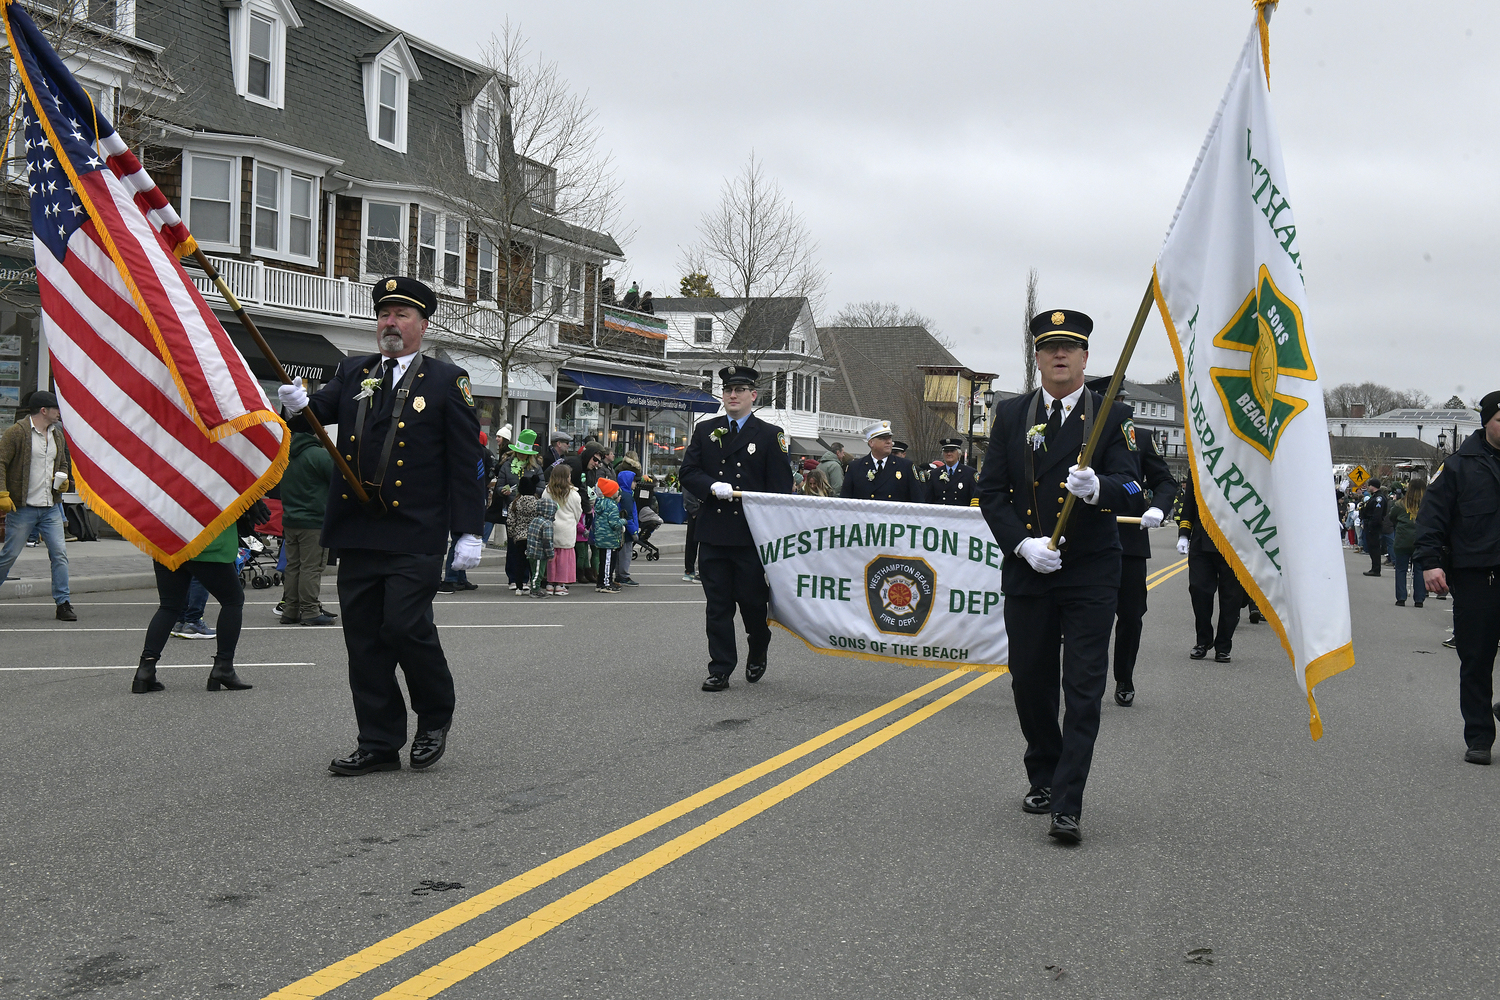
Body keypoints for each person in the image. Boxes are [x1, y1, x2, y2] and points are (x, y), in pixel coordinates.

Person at [277, 276, 485, 776]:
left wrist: (470, 530)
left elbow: (465, 462)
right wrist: (295, 405)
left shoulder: (445, 380)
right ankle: (379, 740)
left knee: (406, 626)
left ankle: (434, 717)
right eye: (384, 314)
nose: (390, 323)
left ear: (423, 324)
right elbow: (315, 418)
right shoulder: (354, 370)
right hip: (359, 530)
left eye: (402, 315)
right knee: (364, 640)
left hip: (416, 531)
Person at [976, 308, 1141, 845]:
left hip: (1090, 570)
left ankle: (1068, 803)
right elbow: (992, 493)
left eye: (1070, 347)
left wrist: (1099, 489)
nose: (1060, 355)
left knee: (1085, 688)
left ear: (1086, 356)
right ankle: (1044, 775)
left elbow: (1135, 486)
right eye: (1050, 347)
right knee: (1030, 682)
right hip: (1031, 569)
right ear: (1038, 357)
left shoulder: (1111, 415)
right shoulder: (1012, 415)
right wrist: (1020, 543)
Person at [680, 366, 795, 691]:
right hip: (714, 531)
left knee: (752, 603)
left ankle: (758, 644)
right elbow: (688, 471)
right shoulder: (706, 430)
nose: (733, 395)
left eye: (740, 390)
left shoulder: (769, 435)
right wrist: (710, 484)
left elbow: (780, 488)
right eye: (728, 389)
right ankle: (720, 668)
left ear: (752, 395)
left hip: (750, 535)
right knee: (717, 606)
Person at [1413, 390, 1500, 765]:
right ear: (1488, 422)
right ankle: (1479, 736)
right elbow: (1431, 519)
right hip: (1479, 577)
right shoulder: (1458, 467)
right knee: (1477, 659)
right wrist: (1430, 562)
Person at [1081, 379, 1178, 707]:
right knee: (1089, 617)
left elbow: (1165, 481)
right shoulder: (1079, 436)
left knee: (1131, 616)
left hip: (1129, 543)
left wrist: (1156, 507)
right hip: (1087, 539)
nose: (1121, 407)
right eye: (1112, 400)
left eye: (1122, 400)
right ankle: (1086, 682)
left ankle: (1124, 676)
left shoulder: (1140, 438)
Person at [132, 522, 252, 694]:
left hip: (167, 539)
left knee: (169, 607)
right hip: (206, 541)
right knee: (232, 600)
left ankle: (145, 669)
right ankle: (223, 667)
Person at [0, 390, 77, 620]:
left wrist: (62, 480)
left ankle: (63, 603)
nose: (59, 413)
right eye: (55, 408)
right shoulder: (16, 433)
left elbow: (61, 462)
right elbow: (1, 462)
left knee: (60, 554)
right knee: (9, 555)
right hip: (23, 508)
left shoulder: (57, 434)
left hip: (50, 506)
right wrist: (3, 492)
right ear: (44, 410)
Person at [1177, 475, 1243, 662]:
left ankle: (1223, 645)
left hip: (1234, 542)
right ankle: (1203, 641)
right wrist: (1184, 534)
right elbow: (1190, 502)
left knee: (1231, 597)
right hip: (1202, 539)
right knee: (1199, 590)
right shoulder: (1199, 461)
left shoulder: (1243, 460)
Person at [278, 429, 337, 625]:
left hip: (290, 520)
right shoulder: (319, 455)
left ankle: (291, 609)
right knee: (311, 567)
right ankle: (310, 610)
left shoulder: (286, 454)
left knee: (293, 566)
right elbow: (339, 481)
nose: (326, 431)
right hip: (313, 521)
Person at [841, 421, 926, 502]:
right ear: (871, 443)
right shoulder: (855, 467)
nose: (889, 442)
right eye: (883, 439)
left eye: (889, 438)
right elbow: (845, 502)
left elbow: (917, 500)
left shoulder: (905, 466)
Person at [545, 463, 582, 596]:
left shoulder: (547, 491)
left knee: (551, 557)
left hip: (551, 527)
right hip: (566, 528)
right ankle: (560, 584)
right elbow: (578, 512)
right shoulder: (573, 495)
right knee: (564, 558)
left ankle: (550, 584)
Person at [1390, 475, 1426, 608]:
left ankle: (1401, 597)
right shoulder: (1427, 505)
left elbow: (1392, 518)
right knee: (1419, 570)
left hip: (1402, 540)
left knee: (1401, 569)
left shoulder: (1399, 505)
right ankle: (1419, 599)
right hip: (1420, 541)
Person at [590, 477, 624, 593]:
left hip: (601, 538)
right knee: (608, 562)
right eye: (616, 490)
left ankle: (601, 582)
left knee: (603, 561)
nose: (618, 492)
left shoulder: (600, 504)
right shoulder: (612, 506)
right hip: (610, 539)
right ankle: (606, 583)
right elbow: (614, 524)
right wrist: (623, 521)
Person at [927, 437, 980, 507]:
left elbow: (974, 500)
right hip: (940, 515)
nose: (949, 454)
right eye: (946, 451)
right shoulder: (934, 474)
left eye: (952, 451)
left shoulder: (970, 474)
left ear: (959, 454)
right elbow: (928, 501)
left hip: (961, 516)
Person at [525, 491, 558, 598]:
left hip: (531, 551)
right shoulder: (547, 524)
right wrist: (550, 554)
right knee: (538, 573)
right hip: (539, 553)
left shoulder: (535, 520)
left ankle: (535, 587)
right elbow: (547, 541)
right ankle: (535, 589)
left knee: (534, 571)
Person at [506, 490, 539, 595]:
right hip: (533, 536)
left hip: (519, 537)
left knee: (519, 562)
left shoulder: (515, 503)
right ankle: (533, 585)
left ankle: (518, 586)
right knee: (533, 564)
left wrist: (512, 535)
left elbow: (510, 521)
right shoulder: (537, 502)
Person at [615, 468, 640, 586]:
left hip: (619, 529)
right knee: (626, 554)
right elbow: (628, 516)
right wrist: (634, 531)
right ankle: (623, 575)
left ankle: (619, 575)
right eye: (634, 481)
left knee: (620, 554)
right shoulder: (628, 497)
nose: (635, 483)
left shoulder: (619, 493)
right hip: (626, 530)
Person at [1360, 479, 1388, 576]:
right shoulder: (1375, 497)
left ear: (1373, 486)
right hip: (1370, 525)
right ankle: (1374, 568)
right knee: (1372, 548)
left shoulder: (1379, 498)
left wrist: (1372, 525)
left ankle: (1376, 569)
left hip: (1374, 527)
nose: (1368, 487)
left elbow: (1377, 514)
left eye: (1369, 485)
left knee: (1374, 548)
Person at [681, 485, 701, 582]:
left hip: (699, 508)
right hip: (697, 509)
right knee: (693, 541)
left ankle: (691, 570)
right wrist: (694, 510)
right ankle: (690, 570)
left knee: (694, 541)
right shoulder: (693, 472)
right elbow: (687, 491)